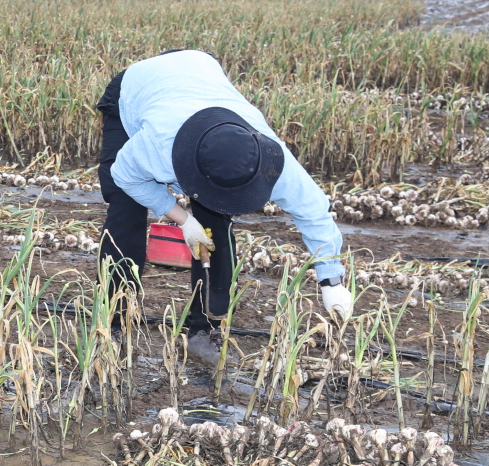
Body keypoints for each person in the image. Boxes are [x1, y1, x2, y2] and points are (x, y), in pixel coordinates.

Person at [95, 49, 351, 363]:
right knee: (125, 210)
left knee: (215, 220)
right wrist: (182, 218)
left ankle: (204, 329)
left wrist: (331, 280)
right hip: (136, 91)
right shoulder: (156, 145)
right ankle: (116, 322)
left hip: (199, 75)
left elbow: (314, 212)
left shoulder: (272, 160)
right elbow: (126, 176)